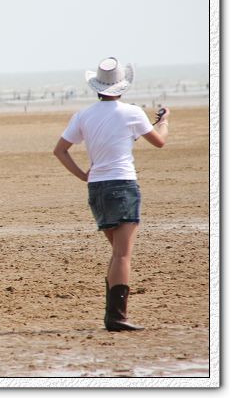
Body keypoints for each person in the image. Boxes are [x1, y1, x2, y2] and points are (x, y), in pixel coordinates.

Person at [53, 57, 170, 331]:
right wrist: (165, 121)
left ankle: (113, 315)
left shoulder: (83, 115)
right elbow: (160, 141)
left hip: (98, 189)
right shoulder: (132, 112)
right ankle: (116, 317)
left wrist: (85, 176)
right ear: (122, 87)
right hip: (123, 185)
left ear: (97, 86)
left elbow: (60, 150)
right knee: (122, 256)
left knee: (117, 254)